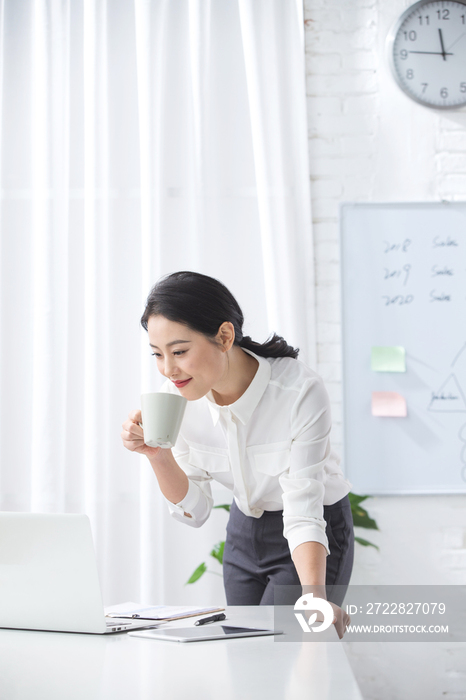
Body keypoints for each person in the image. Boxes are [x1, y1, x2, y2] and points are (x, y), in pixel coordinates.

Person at [121, 271, 354, 637]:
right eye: (157, 354)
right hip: (244, 530)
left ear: (224, 336)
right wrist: (157, 455)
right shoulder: (176, 397)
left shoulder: (298, 391)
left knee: (287, 655)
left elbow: (304, 509)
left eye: (179, 351)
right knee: (243, 652)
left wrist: (314, 595)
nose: (168, 370)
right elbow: (195, 511)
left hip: (313, 527)